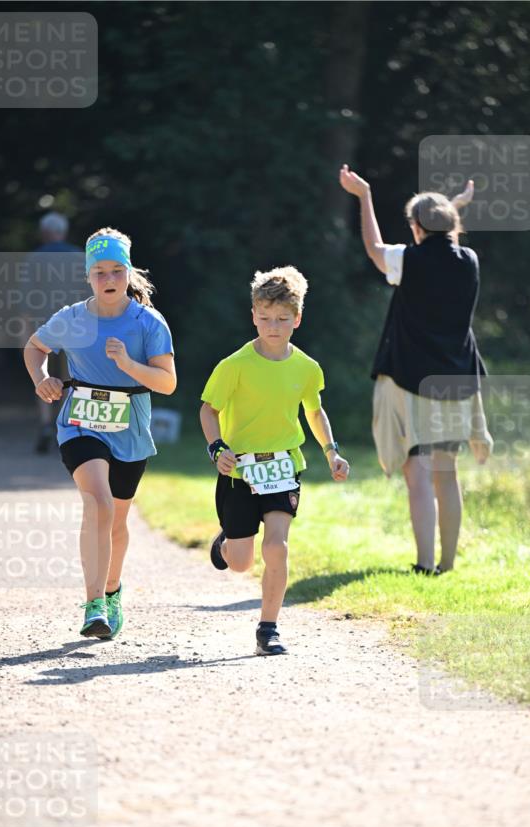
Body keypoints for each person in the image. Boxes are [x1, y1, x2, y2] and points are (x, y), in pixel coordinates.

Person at [23, 227, 177, 638]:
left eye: (116, 271)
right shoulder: (72, 318)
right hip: (80, 423)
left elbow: (167, 383)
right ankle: (94, 606)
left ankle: (111, 590)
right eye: (99, 273)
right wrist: (42, 378)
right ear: (88, 276)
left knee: (117, 521)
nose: (108, 280)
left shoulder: (148, 322)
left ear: (128, 273)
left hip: (130, 431)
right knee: (99, 503)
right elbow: (35, 346)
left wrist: (129, 365)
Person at [339, 166, 493, 575]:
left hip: (414, 382)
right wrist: (453, 208)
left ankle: (424, 564)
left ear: (415, 227)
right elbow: (449, 243)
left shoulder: (409, 259)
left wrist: (365, 196)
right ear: (451, 226)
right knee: (447, 472)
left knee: (418, 472)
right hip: (458, 380)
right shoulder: (469, 260)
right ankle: (446, 564)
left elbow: (373, 246)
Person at [200, 266, 349, 655]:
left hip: (284, 467)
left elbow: (315, 412)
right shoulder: (234, 365)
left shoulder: (307, 368)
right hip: (240, 470)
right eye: (265, 318)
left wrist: (331, 452)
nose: (273, 326)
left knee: (277, 547)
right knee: (241, 563)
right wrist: (217, 448)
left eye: (282, 319)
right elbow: (208, 410)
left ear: (297, 319)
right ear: (253, 315)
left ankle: (268, 628)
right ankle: (225, 546)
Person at [23, 212, 86, 454]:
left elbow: (26, 298)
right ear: (64, 231)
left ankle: (45, 425)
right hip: (77, 327)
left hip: (44, 328)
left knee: (43, 377)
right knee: (72, 379)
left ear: (44, 232)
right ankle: (67, 427)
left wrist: (27, 331)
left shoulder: (35, 259)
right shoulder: (80, 256)